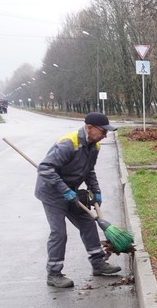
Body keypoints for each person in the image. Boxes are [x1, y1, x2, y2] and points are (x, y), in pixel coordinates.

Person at [35, 112, 122, 288]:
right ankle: (54, 274)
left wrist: (95, 190)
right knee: (59, 233)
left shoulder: (95, 146)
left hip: (72, 191)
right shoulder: (69, 143)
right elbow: (45, 168)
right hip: (52, 193)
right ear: (89, 128)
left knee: (88, 223)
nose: (105, 135)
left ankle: (98, 263)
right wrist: (64, 190)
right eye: (103, 131)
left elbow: (89, 171)